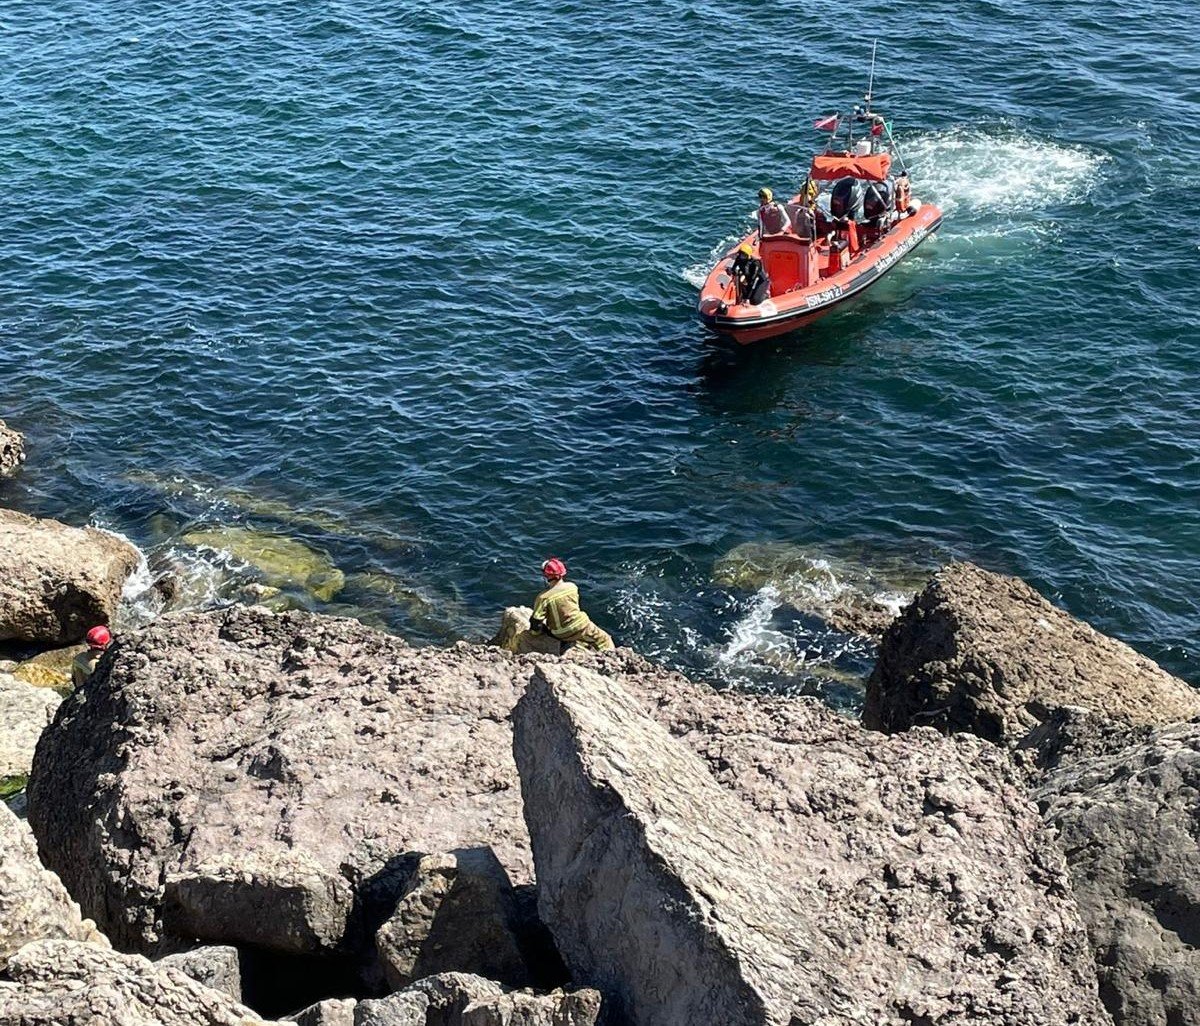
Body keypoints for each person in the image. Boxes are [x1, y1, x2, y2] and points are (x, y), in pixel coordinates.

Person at [530, 558, 615, 651]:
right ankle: (609, 657)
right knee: (604, 639)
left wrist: (535, 633)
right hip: (580, 625)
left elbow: (536, 621)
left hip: (560, 633)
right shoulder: (572, 587)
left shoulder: (543, 597)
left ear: (546, 575)